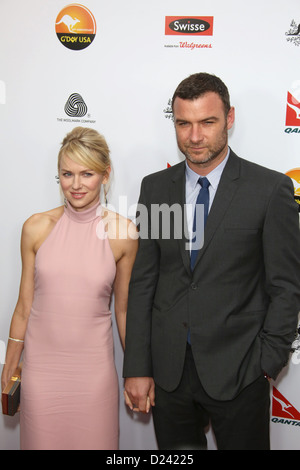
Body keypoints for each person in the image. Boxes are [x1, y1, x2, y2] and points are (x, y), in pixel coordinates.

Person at [123, 73, 300, 450]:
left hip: (240, 369)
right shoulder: (155, 189)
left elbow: (285, 286)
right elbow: (143, 282)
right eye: (183, 124)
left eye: (207, 122)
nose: (195, 136)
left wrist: (267, 362)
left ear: (229, 118)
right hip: (169, 373)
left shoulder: (268, 190)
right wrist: (138, 367)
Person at [1, 127, 138, 450]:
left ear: (105, 176)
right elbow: (24, 306)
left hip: (93, 377)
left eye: (86, 173)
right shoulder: (36, 228)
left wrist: (137, 371)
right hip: (41, 375)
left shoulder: (123, 233)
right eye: (67, 174)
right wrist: (9, 364)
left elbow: (124, 310)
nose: (75, 185)